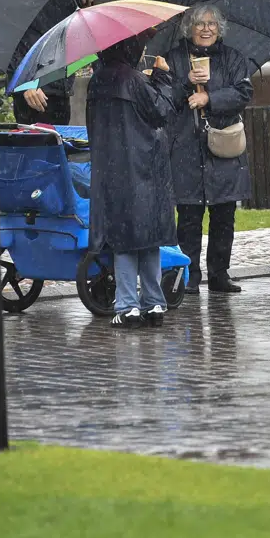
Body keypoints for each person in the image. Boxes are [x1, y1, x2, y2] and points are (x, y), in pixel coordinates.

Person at [87, 35, 177, 327]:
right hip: (144, 168)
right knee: (146, 236)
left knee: (123, 236)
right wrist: (163, 77)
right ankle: (150, 304)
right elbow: (161, 112)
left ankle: (129, 305)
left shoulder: (97, 81)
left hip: (112, 168)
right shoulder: (134, 79)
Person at [165, 5, 254, 294]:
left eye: (211, 24)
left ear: (219, 28)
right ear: (188, 28)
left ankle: (220, 274)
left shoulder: (232, 59)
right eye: (199, 24)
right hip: (185, 147)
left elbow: (243, 92)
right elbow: (161, 96)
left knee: (223, 215)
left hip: (222, 146)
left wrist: (210, 98)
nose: (206, 29)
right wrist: (185, 84)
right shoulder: (173, 59)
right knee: (189, 215)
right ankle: (189, 275)